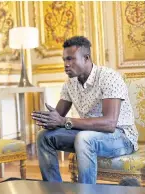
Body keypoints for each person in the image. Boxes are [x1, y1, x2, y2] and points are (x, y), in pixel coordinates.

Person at [32, 36, 138, 184]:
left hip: (121, 137)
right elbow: (58, 118)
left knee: (84, 138)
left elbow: (109, 124)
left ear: (86, 58)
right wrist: (49, 121)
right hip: (88, 135)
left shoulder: (108, 77)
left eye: (71, 59)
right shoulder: (70, 84)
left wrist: (64, 121)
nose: (66, 65)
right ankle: (54, 189)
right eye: (64, 60)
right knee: (44, 136)